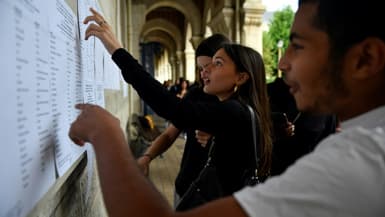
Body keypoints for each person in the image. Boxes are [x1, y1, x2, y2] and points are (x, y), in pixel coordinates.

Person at [70, 0, 385, 216]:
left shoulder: (358, 162)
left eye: (298, 45)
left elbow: (174, 110)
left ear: (366, 59)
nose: (284, 62)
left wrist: (106, 131)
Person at [136, 33, 229, 207]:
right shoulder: (195, 95)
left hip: (221, 197)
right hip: (187, 185)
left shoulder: (241, 105)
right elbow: (170, 133)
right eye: (201, 68)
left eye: (211, 66)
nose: (203, 74)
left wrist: (219, 139)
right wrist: (147, 157)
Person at [267, 77, 338, 176]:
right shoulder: (268, 92)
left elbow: (328, 143)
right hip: (272, 175)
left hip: (307, 175)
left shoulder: (325, 100)